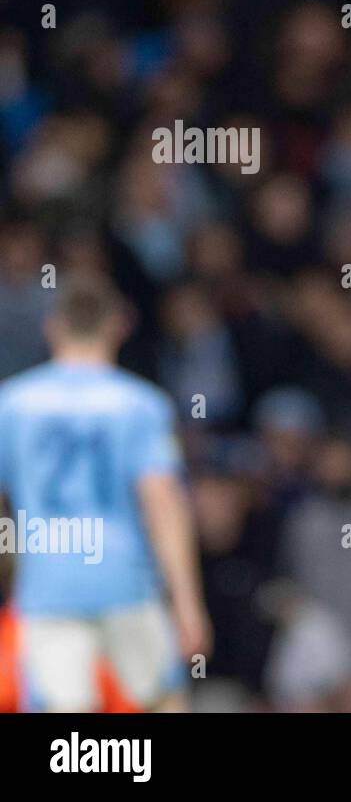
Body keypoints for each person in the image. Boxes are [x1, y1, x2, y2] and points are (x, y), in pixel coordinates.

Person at [0, 275, 210, 711]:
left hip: (47, 586)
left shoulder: (12, 404)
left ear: (52, 327)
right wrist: (188, 603)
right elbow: (163, 504)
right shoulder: (142, 403)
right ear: (120, 326)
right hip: (125, 581)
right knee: (160, 704)